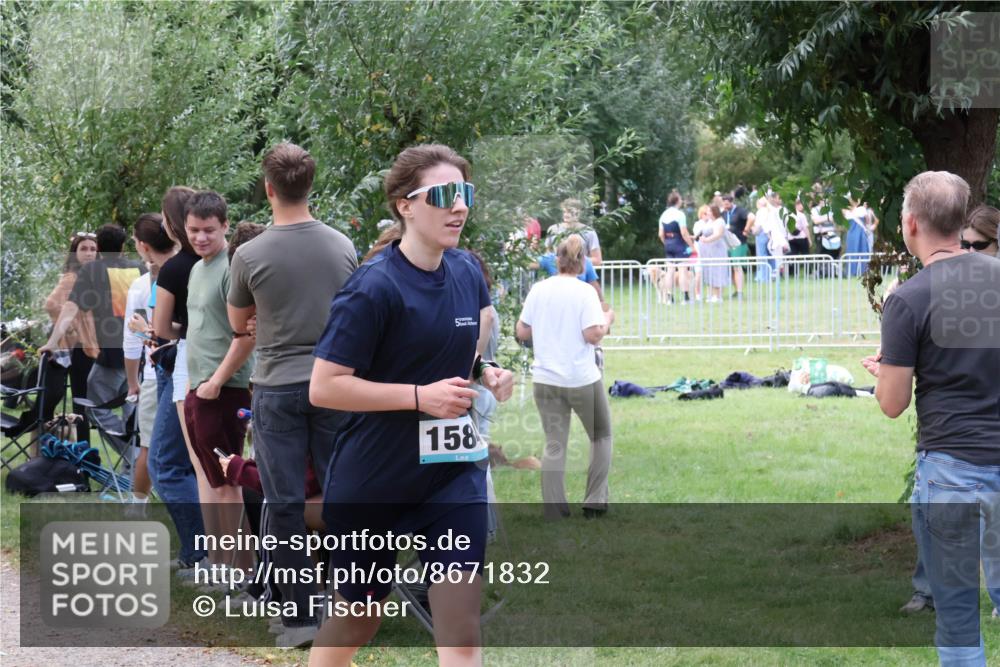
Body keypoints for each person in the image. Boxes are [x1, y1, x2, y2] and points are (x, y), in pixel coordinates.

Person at [308, 143, 515, 665]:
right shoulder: (372, 288)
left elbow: (452, 350)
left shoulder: (467, 272)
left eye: (465, 193)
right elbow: (325, 386)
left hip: (450, 473)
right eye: (445, 195)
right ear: (405, 205)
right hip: (375, 477)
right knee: (358, 618)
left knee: (461, 627)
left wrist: (484, 371)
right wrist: (421, 397)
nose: (460, 206)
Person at [861, 171, 1000, 667]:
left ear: (910, 223)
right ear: (961, 221)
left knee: (959, 620)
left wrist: (893, 368)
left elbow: (892, 403)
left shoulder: (908, 298)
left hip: (951, 472)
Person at [228, 142, 357, 647]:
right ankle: (351, 599)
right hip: (334, 383)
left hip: (278, 384)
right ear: (310, 185)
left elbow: (240, 324)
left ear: (268, 188)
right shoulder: (340, 244)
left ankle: (299, 617)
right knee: (341, 496)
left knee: (282, 504)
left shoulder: (250, 253)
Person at [516, 234, 614, 521]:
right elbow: (592, 334)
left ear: (556, 260)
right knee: (601, 436)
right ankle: (595, 501)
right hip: (580, 377)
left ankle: (554, 508)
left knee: (554, 442)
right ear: (582, 261)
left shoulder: (538, 289)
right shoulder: (585, 292)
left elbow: (522, 332)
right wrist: (607, 320)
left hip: (545, 377)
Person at [182, 191, 255, 571]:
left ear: (225, 225)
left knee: (229, 481)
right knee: (214, 480)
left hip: (225, 389)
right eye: (193, 230)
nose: (200, 238)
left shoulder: (232, 265)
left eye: (208, 230)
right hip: (199, 386)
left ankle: (242, 571)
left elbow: (247, 335)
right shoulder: (197, 269)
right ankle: (224, 562)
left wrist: (216, 381)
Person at [130, 213, 207, 575]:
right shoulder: (207, 265)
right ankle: (202, 550)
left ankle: (200, 549)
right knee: (190, 463)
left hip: (177, 370)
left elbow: (162, 331)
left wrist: (148, 330)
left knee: (165, 461)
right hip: (196, 368)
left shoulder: (174, 271)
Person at [39, 224, 144, 455]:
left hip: (112, 354)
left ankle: (133, 456)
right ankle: (135, 466)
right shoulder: (139, 268)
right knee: (131, 407)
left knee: (93, 406)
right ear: (123, 246)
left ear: (100, 249)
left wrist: (53, 341)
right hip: (141, 352)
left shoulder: (92, 270)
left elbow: (69, 309)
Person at [40, 232, 100, 446]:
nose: (89, 253)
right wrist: (74, 328)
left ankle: (82, 459)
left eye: (93, 249)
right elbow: (51, 304)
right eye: (84, 248)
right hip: (73, 347)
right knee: (76, 404)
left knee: (81, 405)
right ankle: (56, 455)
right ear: (74, 253)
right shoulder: (72, 277)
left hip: (86, 347)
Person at [122, 215, 162, 504]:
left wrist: (133, 382)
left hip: (155, 373)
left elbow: (132, 339)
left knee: (148, 446)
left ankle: (138, 507)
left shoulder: (141, 285)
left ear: (143, 245)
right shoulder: (194, 269)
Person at [658, 191, 693, 304]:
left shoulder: (663, 215)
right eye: (681, 199)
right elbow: (684, 232)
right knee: (683, 271)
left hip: (668, 244)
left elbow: (660, 234)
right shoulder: (680, 214)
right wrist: (692, 246)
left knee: (670, 271)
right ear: (677, 201)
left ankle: (669, 298)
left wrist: (666, 243)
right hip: (679, 243)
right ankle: (685, 297)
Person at [546, 197, 602, 266]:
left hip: (580, 274)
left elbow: (597, 260)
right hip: (557, 273)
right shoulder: (553, 229)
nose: (566, 215)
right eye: (564, 212)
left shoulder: (589, 232)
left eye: (570, 212)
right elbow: (548, 256)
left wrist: (574, 260)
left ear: (578, 213)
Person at [696, 205, 731, 302]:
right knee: (709, 271)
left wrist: (706, 240)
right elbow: (702, 232)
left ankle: (718, 296)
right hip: (708, 251)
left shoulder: (720, 221)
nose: (707, 213)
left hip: (717, 250)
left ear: (714, 212)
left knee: (717, 271)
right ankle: (710, 294)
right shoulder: (709, 222)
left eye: (709, 211)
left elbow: (718, 234)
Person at [721, 193, 749, 298]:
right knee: (732, 268)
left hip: (738, 243)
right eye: (724, 204)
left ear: (732, 202)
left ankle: (740, 291)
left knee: (738, 267)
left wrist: (746, 230)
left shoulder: (740, 211)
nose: (725, 206)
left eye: (727, 204)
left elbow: (751, 217)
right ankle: (736, 290)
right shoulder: (723, 213)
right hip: (727, 243)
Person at [843, 194, 872, 276]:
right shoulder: (853, 211)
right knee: (858, 251)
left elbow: (867, 220)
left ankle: (858, 272)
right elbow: (868, 220)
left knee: (858, 251)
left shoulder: (859, 209)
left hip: (855, 233)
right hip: (856, 233)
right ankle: (859, 271)